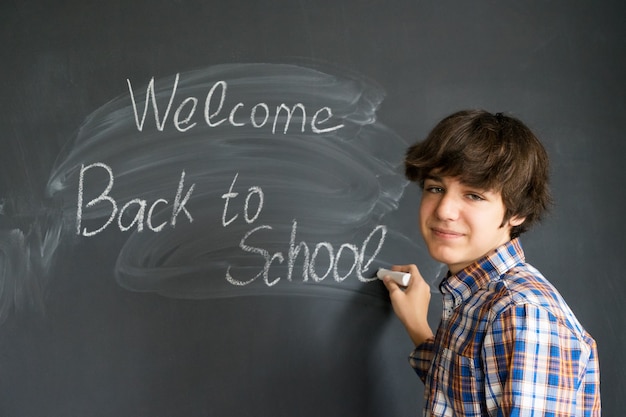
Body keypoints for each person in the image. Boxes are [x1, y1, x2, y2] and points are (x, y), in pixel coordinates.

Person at [382, 110, 601, 416]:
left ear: (517, 212)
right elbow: (465, 397)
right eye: (436, 188)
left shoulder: (521, 312)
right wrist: (417, 326)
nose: (444, 210)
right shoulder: (477, 298)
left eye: (473, 195)